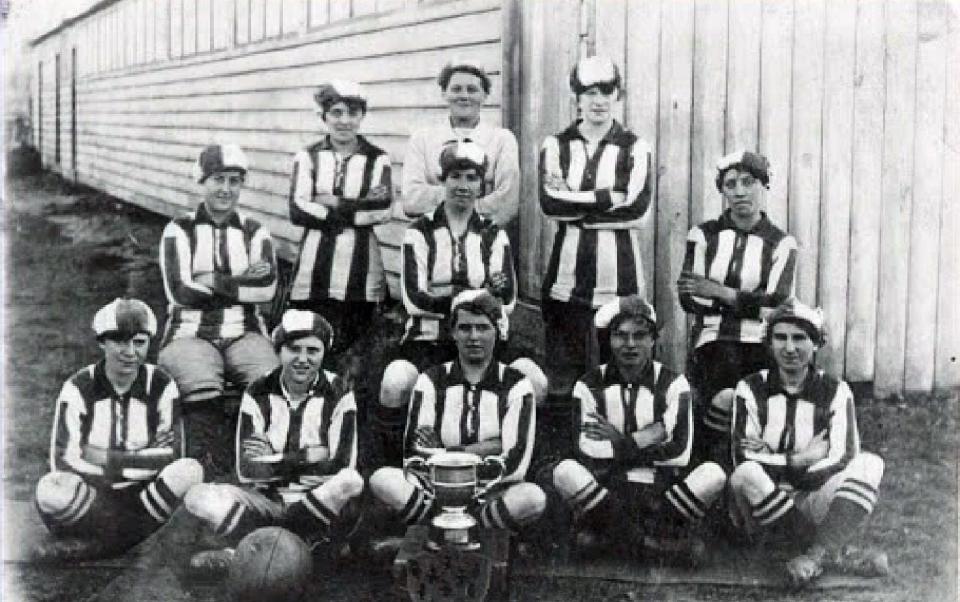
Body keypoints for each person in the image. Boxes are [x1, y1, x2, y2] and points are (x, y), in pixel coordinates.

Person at [373, 141, 545, 464]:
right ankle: (398, 468)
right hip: (429, 340)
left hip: (485, 340)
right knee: (396, 381)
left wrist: (450, 293)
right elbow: (414, 298)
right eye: (455, 177)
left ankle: (523, 466)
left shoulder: (494, 234)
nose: (463, 186)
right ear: (443, 180)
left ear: (482, 185)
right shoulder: (418, 232)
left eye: (471, 178)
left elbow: (506, 299)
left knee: (534, 380)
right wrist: (479, 295)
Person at [542, 296, 725, 561]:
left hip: (662, 493)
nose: (630, 344)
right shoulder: (589, 384)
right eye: (621, 336)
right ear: (609, 339)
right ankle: (650, 545)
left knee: (714, 474)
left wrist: (619, 440)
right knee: (566, 471)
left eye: (639, 336)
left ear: (652, 340)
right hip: (609, 488)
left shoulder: (674, 385)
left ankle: (612, 540)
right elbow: (588, 449)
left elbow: (679, 452)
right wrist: (650, 435)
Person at [184, 309, 363, 575]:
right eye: (293, 349)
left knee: (351, 480)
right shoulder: (258, 390)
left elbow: (339, 463)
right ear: (279, 352)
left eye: (312, 350)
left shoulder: (339, 391)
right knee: (197, 496)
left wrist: (275, 459)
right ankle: (300, 545)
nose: (303, 359)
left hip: (317, 500)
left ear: (324, 353)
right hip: (267, 503)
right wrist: (307, 456)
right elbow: (247, 470)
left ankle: (251, 550)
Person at [728, 299, 888, 587]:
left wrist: (776, 461)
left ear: (816, 343)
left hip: (814, 499)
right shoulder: (750, 387)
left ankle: (813, 557)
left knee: (869, 463)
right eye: (780, 338)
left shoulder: (836, 390)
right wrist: (799, 460)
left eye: (800, 338)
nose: (790, 348)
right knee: (745, 475)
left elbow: (843, 458)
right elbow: (742, 457)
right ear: (769, 343)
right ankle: (834, 551)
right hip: (765, 499)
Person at [35, 298, 203, 561]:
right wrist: (142, 458)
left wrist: (105, 458)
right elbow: (63, 460)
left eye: (139, 342)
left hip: (141, 497)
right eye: (120, 342)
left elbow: (173, 455)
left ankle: (98, 545)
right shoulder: (79, 387)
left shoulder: (161, 384)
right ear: (102, 342)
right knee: (50, 489)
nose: (130, 352)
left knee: (190, 470)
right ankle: (130, 540)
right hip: (93, 497)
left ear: (149, 344)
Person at [368, 290, 545, 534]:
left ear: (499, 331)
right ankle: (457, 528)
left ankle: (452, 530)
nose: (474, 337)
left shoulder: (516, 384)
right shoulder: (430, 380)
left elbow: (515, 461)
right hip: (435, 491)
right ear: (453, 333)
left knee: (532, 497)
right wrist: (487, 447)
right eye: (465, 328)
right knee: (383, 479)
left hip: (493, 489)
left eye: (483, 328)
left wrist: (449, 452)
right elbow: (415, 453)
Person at [539, 55, 653, 406]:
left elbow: (637, 211)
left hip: (620, 278)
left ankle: (611, 446)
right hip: (565, 278)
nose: (598, 100)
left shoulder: (635, 147)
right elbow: (550, 205)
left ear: (618, 95)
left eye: (607, 91)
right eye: (589, 92)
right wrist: (607, 197)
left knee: (618, 372)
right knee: (563, 374)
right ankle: (563, 451)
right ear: (576, 97)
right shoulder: (555, 145)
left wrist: (577, 205)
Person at [158, 143, 280, 469]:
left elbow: (266, 290)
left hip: (245, 330)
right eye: (218, 179)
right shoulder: (179, 229)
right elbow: (180, 291)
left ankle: (258, 467)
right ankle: (202, 468)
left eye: (234, 181)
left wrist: (212, 279)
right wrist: (241, 281)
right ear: (203, 181)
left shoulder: (255, 231)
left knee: (269, 381)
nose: (226, 189)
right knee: (201, 385)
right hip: (189, 331)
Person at [677, 150, 797, 464]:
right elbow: (690, 298)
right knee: (724, 390)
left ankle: (749, 466)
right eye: (730, 184)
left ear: (764, 186)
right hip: (713, 338)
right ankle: (712, 465)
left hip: (760, 340)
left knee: (757, 399)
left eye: (748, 182)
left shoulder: (781, 243)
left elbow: (776, 306)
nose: (740, 191)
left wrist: (720, 293)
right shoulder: (703, 234)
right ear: (722, 190)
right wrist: (749, 300)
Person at [287, 80, 392, 360]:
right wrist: (357, 207)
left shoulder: (377, 159)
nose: (344, 121)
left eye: (353, 113)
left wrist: (329, 201)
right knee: (312, 337)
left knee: (358, 345)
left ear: (362, 116)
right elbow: (297, 210)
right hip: (315, 266)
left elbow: (381, 211)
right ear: (324, 116)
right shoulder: (307, 157)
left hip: (362, 267)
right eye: (336, 112)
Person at [402, 62, 519, 228]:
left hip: (484, 239)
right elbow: (411, 200)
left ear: (485, 95)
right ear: (444, 93)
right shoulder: (422, 139)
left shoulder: (502, 140)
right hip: (432, 237)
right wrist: (477, 195)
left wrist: (440, 195)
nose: (464, 96)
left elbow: (507, 204)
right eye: (456, 89)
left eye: (472, 89)